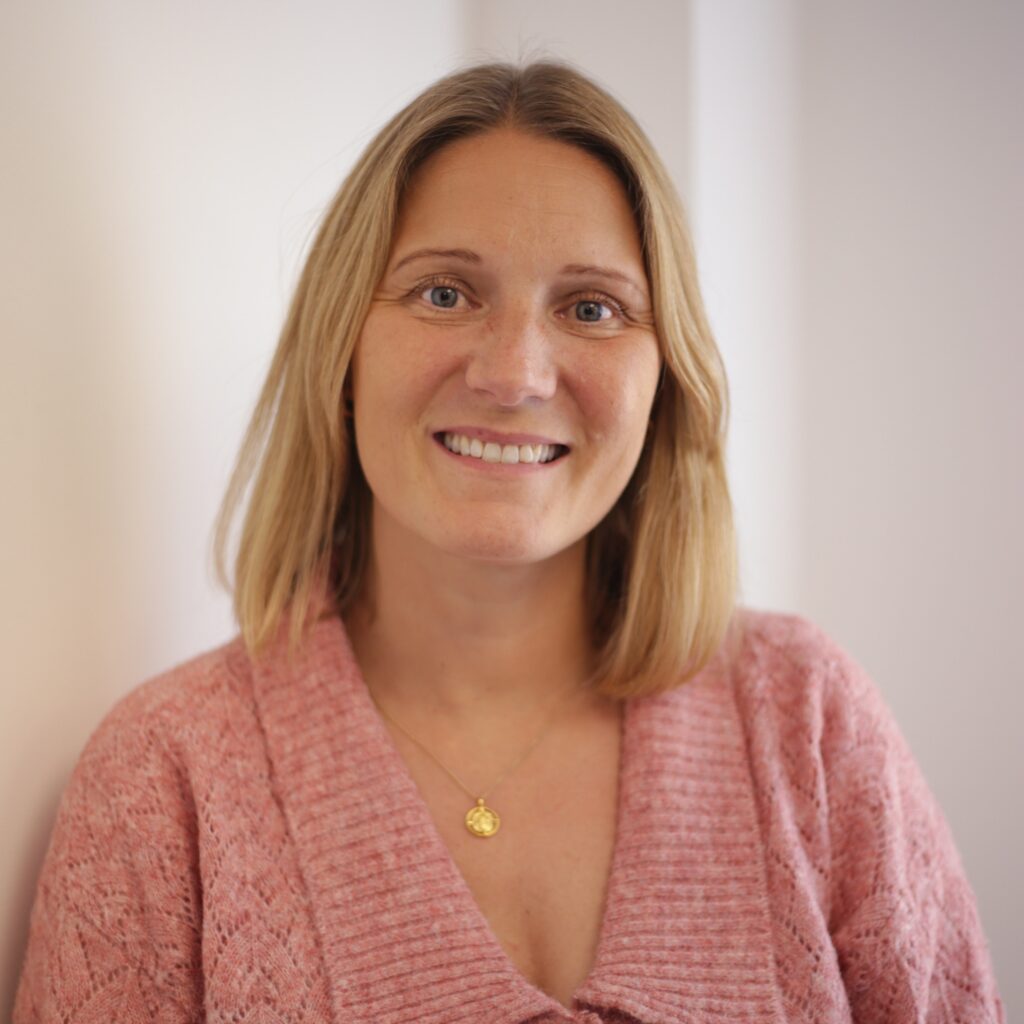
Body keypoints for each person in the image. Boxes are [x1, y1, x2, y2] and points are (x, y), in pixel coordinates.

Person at [14, 60, 1003, 1024]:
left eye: (590, 308)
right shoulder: (164, 783)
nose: (516, 373)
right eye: (445, 292)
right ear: (343, 351)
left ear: (664, 381)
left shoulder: (808, 724)